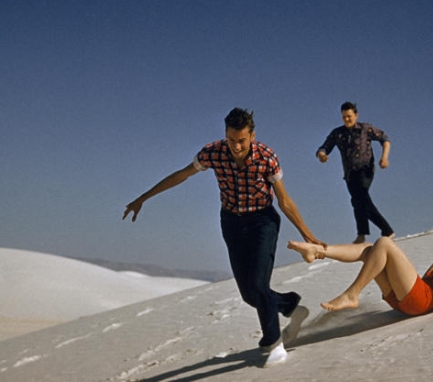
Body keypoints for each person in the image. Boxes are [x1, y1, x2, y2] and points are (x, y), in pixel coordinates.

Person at [122, 107, 325, 368]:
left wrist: (309, 235)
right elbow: (181, 175)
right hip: (231, 223)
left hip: (263, 221)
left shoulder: (267, 157)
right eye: (231, 140)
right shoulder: (213, 153)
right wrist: (143, 198)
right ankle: (291, 307)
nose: (236, 146)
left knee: (259, 285)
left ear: (252, 135)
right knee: (249, 295)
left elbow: (284, 201)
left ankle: (274, 344)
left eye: (241, 140)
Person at [287, 237, 433, 315]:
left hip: (420, 302)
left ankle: (352, 293)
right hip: (412, 297)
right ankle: (320, 251)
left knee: (384, 243)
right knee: (370, 250)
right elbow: (428, 281)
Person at [316, 101, 395, 244]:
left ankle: (386, 230)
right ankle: (362, 234)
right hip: (349, 174)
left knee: (361, 197)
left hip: (365, 169)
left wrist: (385, 157)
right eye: (344, 117)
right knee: (357, 201)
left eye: (349, 116)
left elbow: (385, 139)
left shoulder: (365, 128)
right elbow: (324, 147)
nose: (347, 119)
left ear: (356, 115)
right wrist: (321, 155)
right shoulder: (337, 133)